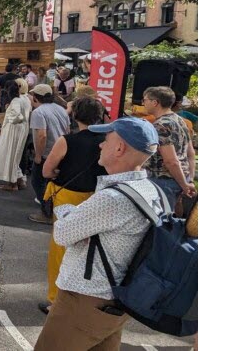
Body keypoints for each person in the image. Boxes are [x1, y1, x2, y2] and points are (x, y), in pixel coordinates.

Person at [34, 117, 164, 350]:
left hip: (84, 297)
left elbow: (62, 233)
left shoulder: (112, 199)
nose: (100, 145)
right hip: (118, 297)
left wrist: (68, 211)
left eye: (106, 139)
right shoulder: (152, 191)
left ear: (119, 148)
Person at [38, 96, 107, 314]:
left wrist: (57, 173)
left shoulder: (67, 141)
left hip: (68, 197)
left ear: (75, 115)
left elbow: (47, 171)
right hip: (98, 197)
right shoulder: (109, 140)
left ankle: (56, 300)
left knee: (61, 248)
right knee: (91, 250)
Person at [142, 86, 197, 202]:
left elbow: (171, 161)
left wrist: (184, 185)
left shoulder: (161, 125)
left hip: (163, 181)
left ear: (155, 102)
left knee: (162, 217)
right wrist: (189, 180)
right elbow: (191, 153)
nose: (143, 103)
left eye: (145, 100)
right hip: (181, 177)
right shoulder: (180, 120)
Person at [28, 84, 71, 224]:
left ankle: (47, 212)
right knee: (52, 183)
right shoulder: (60, 109)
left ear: (35, 97)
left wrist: (38, 156)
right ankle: (52, 209)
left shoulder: (38, 112)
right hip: (62, 151)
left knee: (37, 181)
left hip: (47, 153)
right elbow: (68, 129)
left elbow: (42, 136)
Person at [0, 79, 32, 191]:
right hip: (22, 129)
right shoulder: (26, 98)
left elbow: (17, 116)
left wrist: (9, 118)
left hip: (14, 130)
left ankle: (12, 183)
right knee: (16, 155)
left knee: (10, 154)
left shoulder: (16, 100)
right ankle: (19, 179)